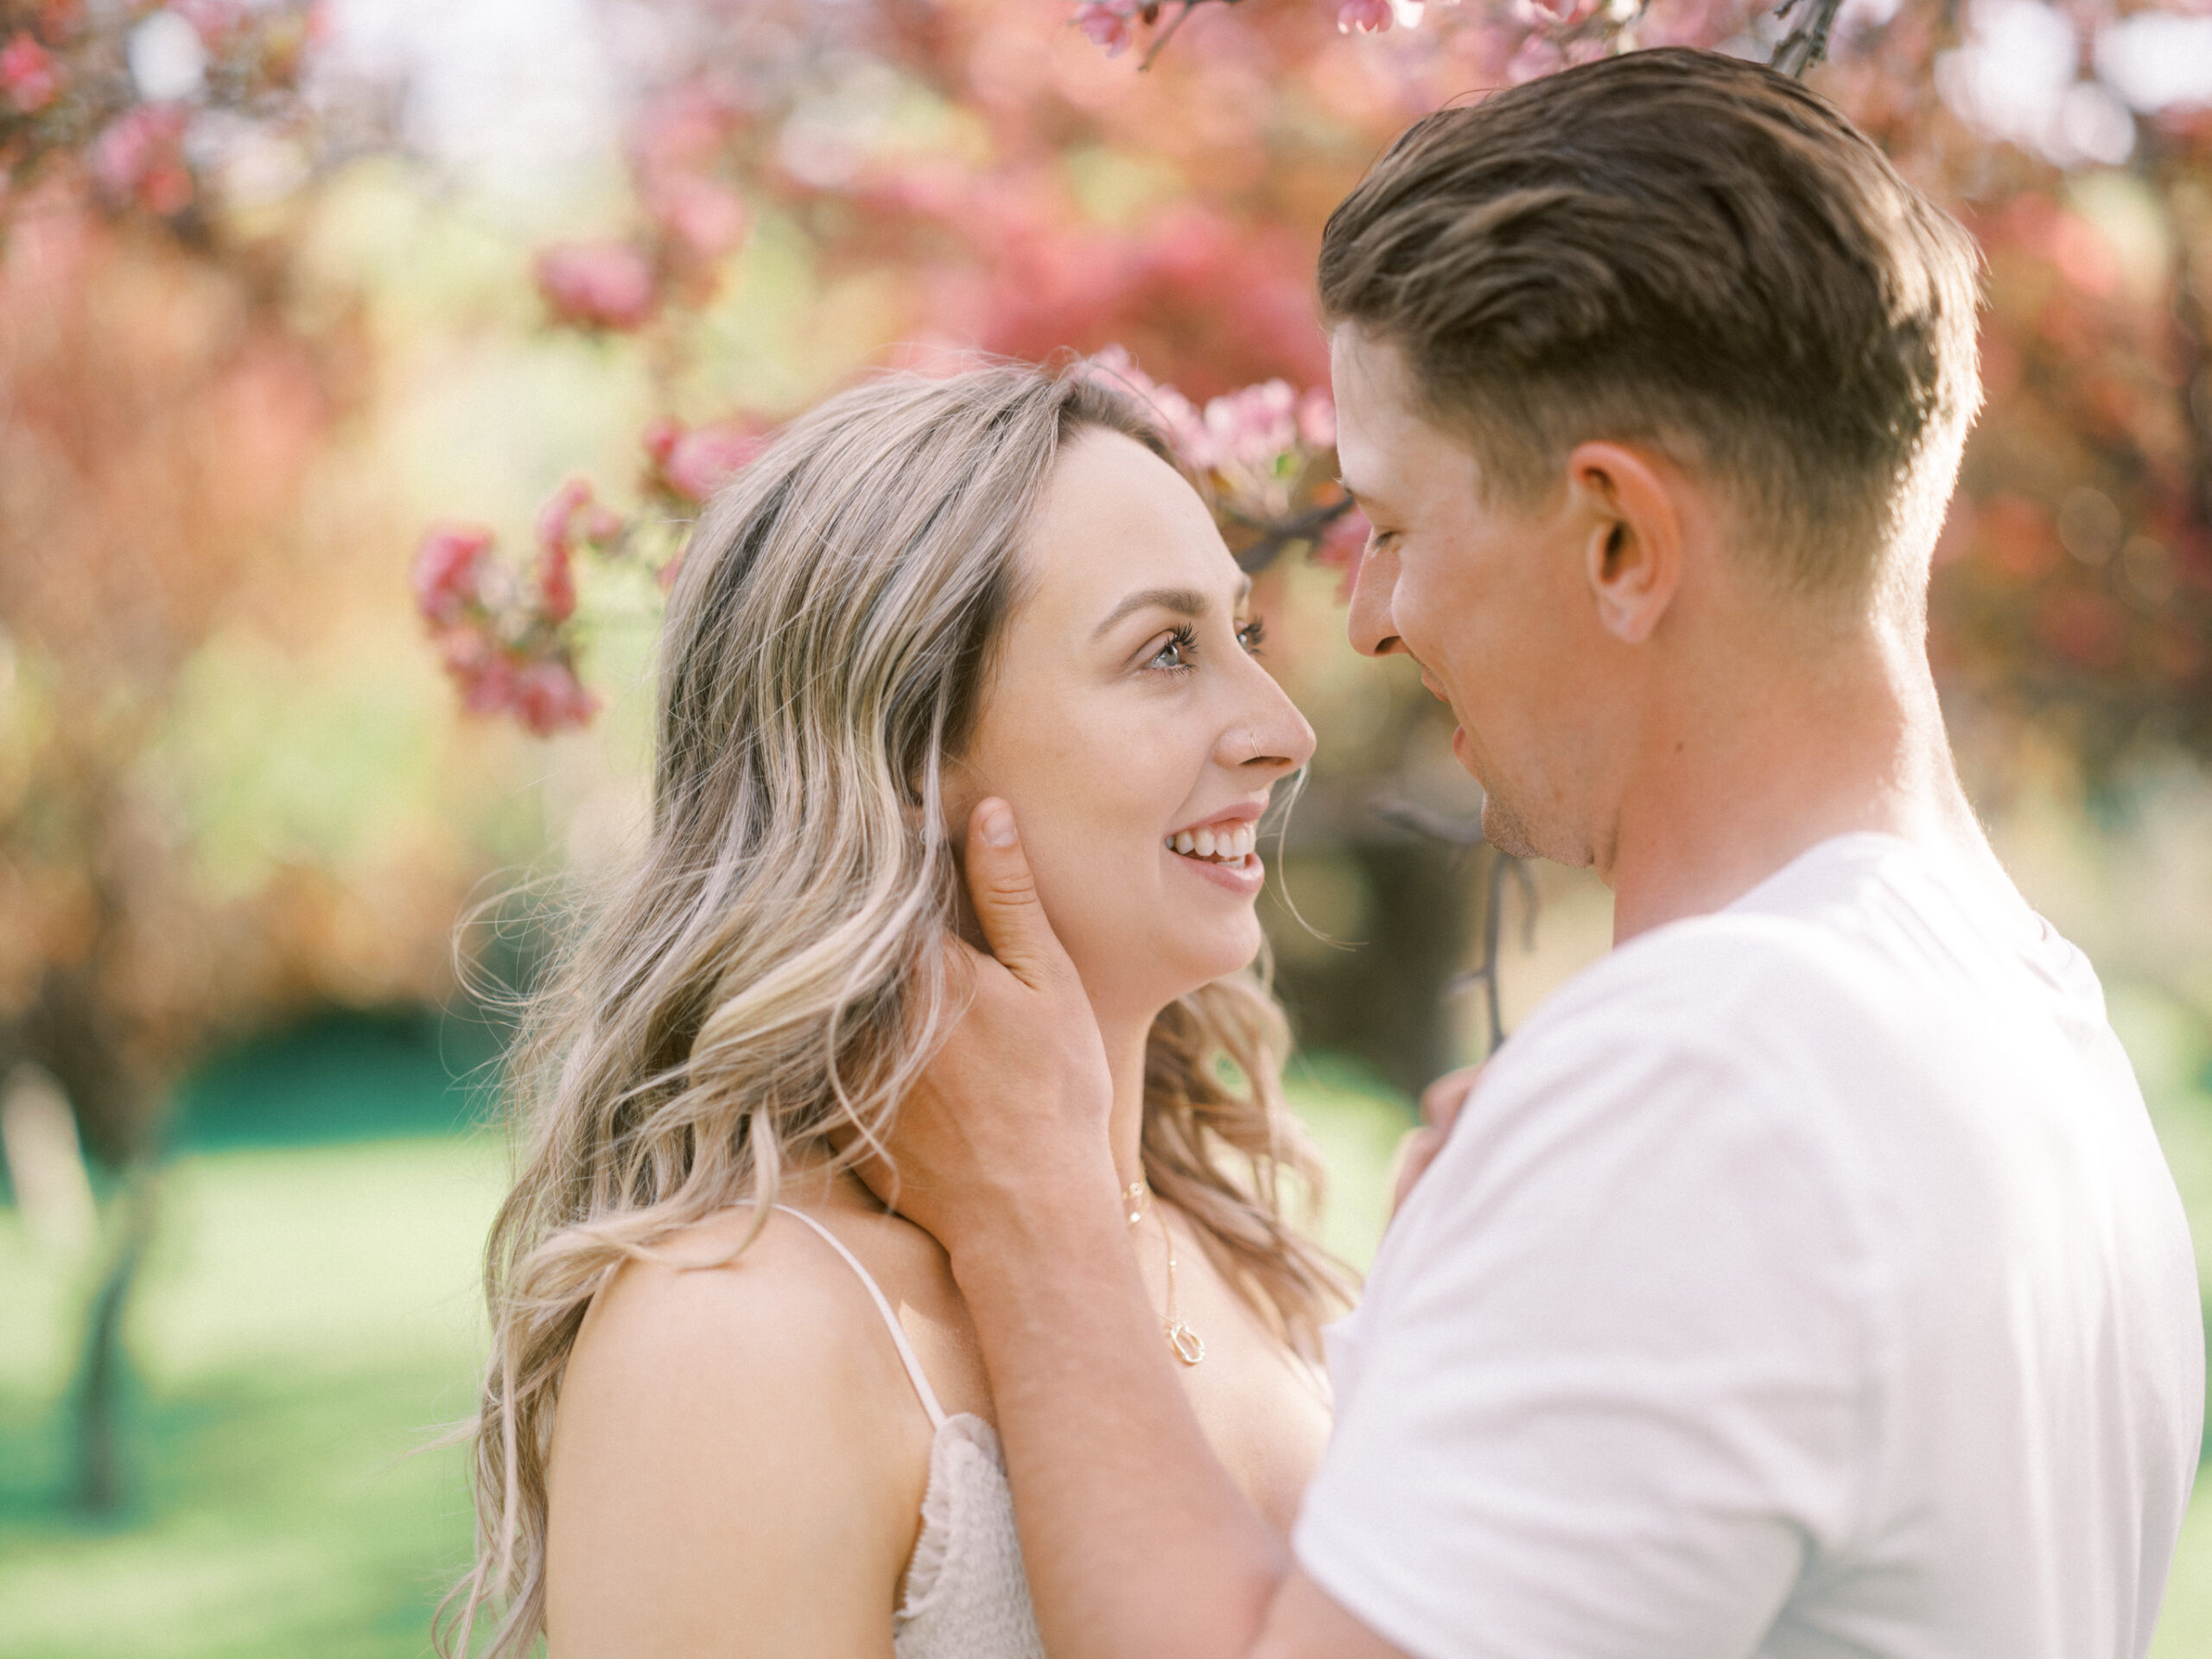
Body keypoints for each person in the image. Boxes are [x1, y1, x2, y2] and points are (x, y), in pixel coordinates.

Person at [867, 48, 2207, 1659]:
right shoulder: (2039, 1036)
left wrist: (1033, 1220)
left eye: (1398, 527)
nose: (1361, 618)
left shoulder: (1712, 1086)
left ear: (1619, 540)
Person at [441, 365, 1355, 1659]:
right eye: (1165, 652)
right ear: (907, 754)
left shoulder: (1245, 1244)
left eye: (1242, 638)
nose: (1284, 729)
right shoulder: (738, 1336)